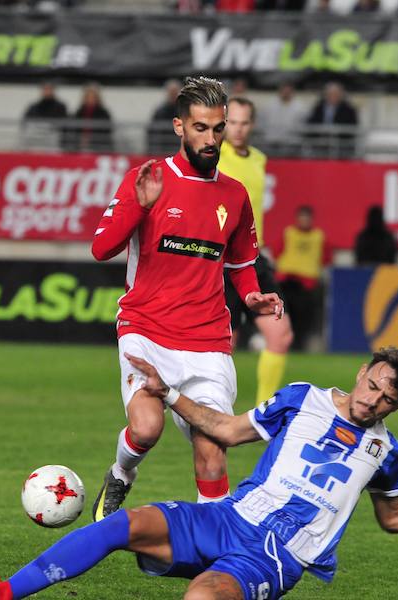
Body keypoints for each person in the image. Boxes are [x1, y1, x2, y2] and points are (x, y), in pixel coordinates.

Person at [0, 347, 398, 600]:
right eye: (373, 386)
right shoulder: (302, 398)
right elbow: (225, 430)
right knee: (117, 528)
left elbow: (395, 518)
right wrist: (168, 394)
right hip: (228, 518)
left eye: (388, 401)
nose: (373, 402)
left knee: (203, 597)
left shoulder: (386, 452)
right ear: (362, 372)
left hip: (274, 554)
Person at [88, 76, 283, 520]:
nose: (212, 138)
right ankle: (121, 475)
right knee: (147, 427)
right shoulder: (148, 179)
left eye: (218, 128)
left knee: (212, 450)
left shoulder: (235, 194)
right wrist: (140, 205)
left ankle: (214, 552)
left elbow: (239, 262)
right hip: (147, 327)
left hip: (207, 339)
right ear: (179, 126)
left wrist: (251, 296)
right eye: (201, 128)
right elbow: (102, 249)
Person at [217, 97, 293, 406]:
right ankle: (214, 409)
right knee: (224, 343)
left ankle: (264, 412)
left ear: (253, 124)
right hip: (221, 259)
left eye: (243, 122)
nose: (237, 129)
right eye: (231, 122)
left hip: (253, 256)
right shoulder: (213, 155)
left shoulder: (259, 159)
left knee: (280, 334)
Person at [274, 205, 329, 351]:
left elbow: (325, 258)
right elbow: (277, 252)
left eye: (307, 218)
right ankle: (282, 344)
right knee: (284, 316)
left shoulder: (318, 236)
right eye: (302, 218)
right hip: (287, 281)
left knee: (303, 319)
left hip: (307, 285)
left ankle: (298, 345)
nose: (304, 221)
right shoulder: (289, 233)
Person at [305, 81, 359, 158]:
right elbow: (311, 123)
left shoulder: (349, 110)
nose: (333, 96)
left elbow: (352, 128)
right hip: (320, 144)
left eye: (335, 94)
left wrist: (334, 134)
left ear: (341, 95)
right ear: (326, 95)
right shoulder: (318, 107)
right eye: (330, 94)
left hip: (341, 145)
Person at [260, 82, 306, 157]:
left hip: (291, 144)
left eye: (288, 91)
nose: (286, 93)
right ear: (280, 92)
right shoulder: (269, 106)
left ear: (292, 92)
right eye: (284, 91)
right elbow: (262, 122)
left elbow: (302, 127)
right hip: (271, 143)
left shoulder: (300, 108)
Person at [66, 82, 113, 153]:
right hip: (80, 143)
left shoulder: (103, 112)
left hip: (98, 144)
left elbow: (106, 130)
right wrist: (81, 138)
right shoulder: (79, 111)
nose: (90, 99)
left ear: (97, 98)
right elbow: (75, 127)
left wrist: (91, 138)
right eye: (88, 97)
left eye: (92, 97)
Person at [146, 79, 182, 156]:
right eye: (171, 92)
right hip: (163, 149)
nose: (173, 94)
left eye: (175, 91)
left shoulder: (184, 110)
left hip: (179, 147)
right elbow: (152, 130)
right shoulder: (160, 111)